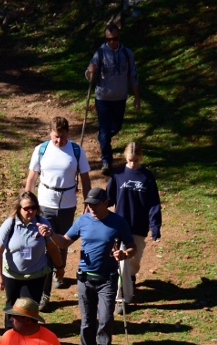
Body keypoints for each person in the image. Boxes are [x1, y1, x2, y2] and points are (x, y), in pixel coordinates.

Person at [40, 186, 135, 345]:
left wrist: (123, 254)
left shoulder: (118, 222)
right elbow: (66, 241)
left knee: (106, 318)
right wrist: (51, 235)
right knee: (87, 320)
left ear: (106, 203)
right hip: (84, 279)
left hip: (107, 279)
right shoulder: (82, 221)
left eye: (94, 204)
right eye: (88, 204)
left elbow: (132, 247)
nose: (90, 207)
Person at [25, 117, 91, 309]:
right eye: (55, 137)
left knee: (63, 242)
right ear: (50, 133)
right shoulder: (41, 150)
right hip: (45, 203)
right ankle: (45, 294)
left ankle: (58, 271)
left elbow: (86, 179)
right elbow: (32, 177)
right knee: (47, 246)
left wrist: (87, 203)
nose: (58, 141)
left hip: (68, 205)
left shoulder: (77, 151)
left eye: (62, 137)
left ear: (67, 133)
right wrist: (28, 203)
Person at [107, 141, 162, 314]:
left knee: (134, 261)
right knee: (122, 263)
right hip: (120, 226)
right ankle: (121, 299)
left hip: (139, 226)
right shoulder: (118, 174)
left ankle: (130, 278)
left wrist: (155, 225)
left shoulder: (147, 176)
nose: (133, 164)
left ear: (141, 157)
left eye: (136, 160)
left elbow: (154, 203)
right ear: (125, 157)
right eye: (130, 160)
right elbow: (108, 199)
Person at [0, 192, 62, 328]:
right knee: (11, 306)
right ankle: (10, 337)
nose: (31, 211)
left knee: (29, 308)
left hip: (35, 275)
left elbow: (53, 249)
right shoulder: (10, 224)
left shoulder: (43, 224)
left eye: (34, 207)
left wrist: (60, 267)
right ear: (19, 208)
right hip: (12, 275)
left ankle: (30, 338)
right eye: (26, 208)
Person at [85, 23, 140, 176]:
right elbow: (89, 75)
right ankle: (106, 161)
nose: (112, 42)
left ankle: (103, 138)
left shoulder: (127, 54)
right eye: (109, 39)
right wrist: (90, 72)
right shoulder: (100, 53)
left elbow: (133, 75)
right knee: (104, 129)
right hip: (103, 98)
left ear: (119, 37)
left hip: (120, 97)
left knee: (116, 127)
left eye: (114, 39)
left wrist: (137, 97)